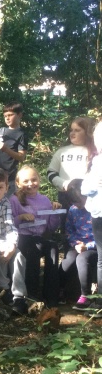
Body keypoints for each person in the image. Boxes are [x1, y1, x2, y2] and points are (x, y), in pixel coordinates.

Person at [10, 165, 61, 308]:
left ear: (39, 180)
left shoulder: (44, 200)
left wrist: (54, 212)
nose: (30, 184)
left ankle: (51, 296)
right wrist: (21, 217)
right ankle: (32, 294)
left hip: (39, 237)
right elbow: (9, 222)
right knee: (34, 248)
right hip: (22, 237)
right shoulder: (14, 200)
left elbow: (50, 227)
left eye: (34, 180)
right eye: (25, 181)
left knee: (53, 248)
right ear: (18, 183)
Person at [0, 168, 28, 315]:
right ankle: (4, 289)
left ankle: (19, 296)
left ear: (7, 188)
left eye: (1, 187)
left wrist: (12, 244)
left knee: (18, 255)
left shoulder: (5, 203)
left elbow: (10, 226)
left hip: (3, 239)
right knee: (2, 253)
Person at [59, 179, 97, 310]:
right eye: (74, 202)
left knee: (82, 258)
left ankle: (85, 296)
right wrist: (75, 244)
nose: (77, 204)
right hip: (78, 244)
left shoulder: (96, 210)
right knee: (69, 259)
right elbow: (69, 231)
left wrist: (88, 246)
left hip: (94, 246)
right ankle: (59, 288)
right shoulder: (73, 210)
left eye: (79, 201)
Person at [47, 117, 96, 210]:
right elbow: (51, 172)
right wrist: (64, 184)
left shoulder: (94, 152)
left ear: (87, 132)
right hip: (65, 195)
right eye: (71, 130)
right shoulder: (62, 151)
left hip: (88, 197)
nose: (72, 133)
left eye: (77, 130)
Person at [0, 102, 28, 196]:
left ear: (19, 115)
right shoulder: (1, 131)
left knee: (7, 201)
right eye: (5, 116)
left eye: (10, 115)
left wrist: (5, 149)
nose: (7, 118)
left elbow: (21, 157)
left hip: (9, 178)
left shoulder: (21, 134)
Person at [81, 122, 102, 313]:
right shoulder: (96, 161)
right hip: (99, 215)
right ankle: (100, 301)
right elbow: (84, 188)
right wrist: (96, 183)